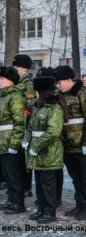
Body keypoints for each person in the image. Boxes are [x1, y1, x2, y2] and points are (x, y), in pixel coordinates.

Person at [23, 76, 68, 223]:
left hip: (49, 151)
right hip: (37, 150)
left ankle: (50, 211)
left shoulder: (54, 108)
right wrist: (26, 141)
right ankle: (41, 208)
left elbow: (53, 132)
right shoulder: (37, 107)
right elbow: (30, 127)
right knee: (40, 182)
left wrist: (35, 147)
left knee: (48, 183)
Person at [0, 67, 27, 214]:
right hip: (1, 140)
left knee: (14, 174)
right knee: (6, 174)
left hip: (10, 140)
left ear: (11, 81)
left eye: (2, 79)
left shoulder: (16, 98)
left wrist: (14, 143)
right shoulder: (1, 97)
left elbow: (19, 123)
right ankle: (11, 199)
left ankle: (18, 202)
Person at [53, 65, 86, 221]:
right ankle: (79, 205)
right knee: (75, 177)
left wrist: (85, 142)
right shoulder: (60, 95)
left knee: (84, 176)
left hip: (79, 144)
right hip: (65, 144)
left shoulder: (81, 93)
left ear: (68, 80)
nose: (58, 85)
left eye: (60, 82)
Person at [12, 54, 35, 198]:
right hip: (17, 121)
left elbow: (29, 103)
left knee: (24, 157)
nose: (16, 69)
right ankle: (19, 184)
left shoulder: (28, 83)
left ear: (25, 68)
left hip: (25, 121)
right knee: (18, 157)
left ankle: (26, 187)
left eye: (18, 67)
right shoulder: (17, 81)